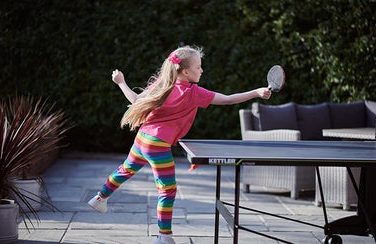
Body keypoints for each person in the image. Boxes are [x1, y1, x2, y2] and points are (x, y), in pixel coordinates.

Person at [88, 45, 271, 244]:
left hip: (142, 139)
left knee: (125, 170)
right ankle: (164, 237)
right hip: (158, 145)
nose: (201, 70)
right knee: (167, 191)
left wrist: (121, 82)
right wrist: (256, 92)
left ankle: (99, 198)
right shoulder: (194, 92)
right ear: (185, 71)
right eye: (198, 67)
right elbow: (227, 100)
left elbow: (134, 99)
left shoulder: (163, 83)